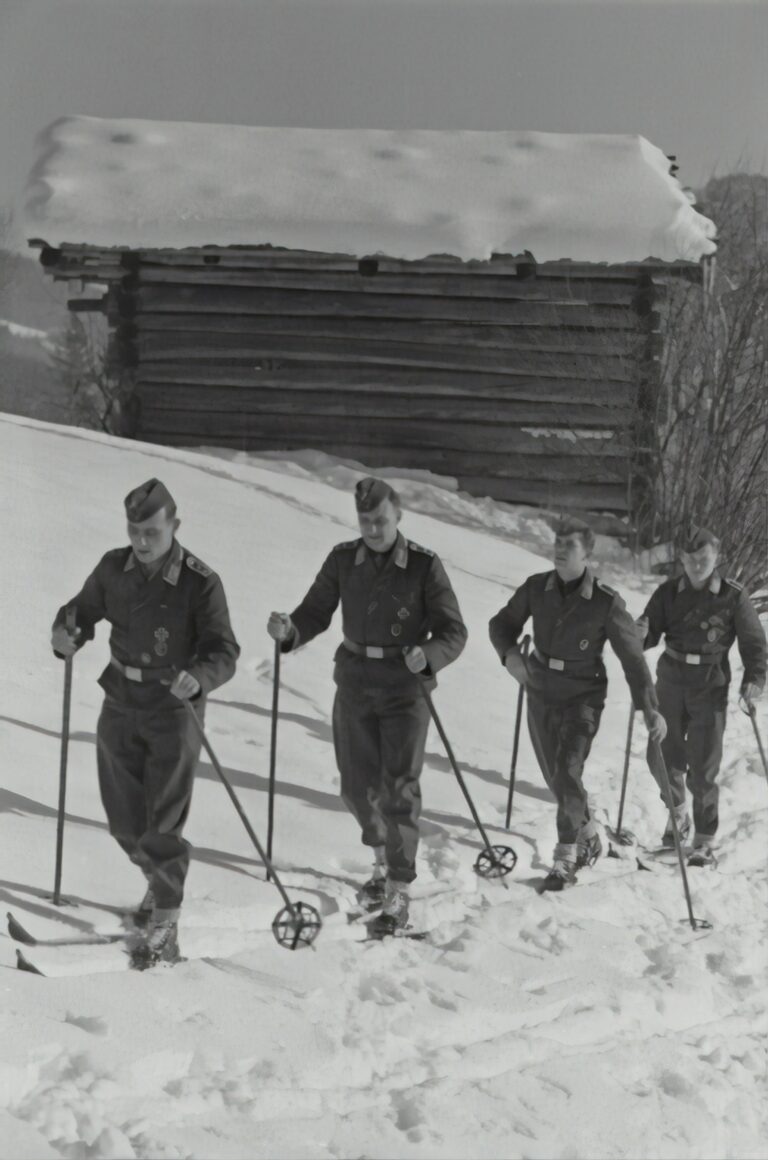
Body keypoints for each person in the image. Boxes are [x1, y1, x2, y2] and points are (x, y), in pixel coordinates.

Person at [50, 479, 240, 965]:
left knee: (163, 821)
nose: (142, 540)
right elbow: (81, 611)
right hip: (120, 698)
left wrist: (198, 678)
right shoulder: (114, 567)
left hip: (174, 707)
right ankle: (158, 879)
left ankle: (166, 922)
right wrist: (65, 631)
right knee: (124, 822)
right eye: (135, 530)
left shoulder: (201, 581)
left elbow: (223, 650)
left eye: (152, 531)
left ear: (174, 526)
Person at [267, 477, 467, 934]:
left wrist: (429, 654)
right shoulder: (344, 559)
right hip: (355, 682)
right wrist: (290, 629)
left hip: (404, 689)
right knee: (356, 787)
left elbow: (453, 631)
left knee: (399, 789)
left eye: (380, 520)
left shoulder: (423, 566)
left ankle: (399, 887)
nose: (373, 529)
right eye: (365, 521)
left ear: (398, 518)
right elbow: (315, 611)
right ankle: (380, 862)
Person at [489, 517, 666, 890]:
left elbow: (632, 657)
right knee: (557, 776)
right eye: (557, 541)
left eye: (569, 544)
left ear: (587, 553)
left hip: (582, 696)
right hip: (540, 688)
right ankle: (588, 833)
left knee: (568, 769)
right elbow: (501, 624)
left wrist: (649, 707)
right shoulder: (536, 587)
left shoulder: (605, 601)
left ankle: (566, 855)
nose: (560, 549)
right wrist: (510, 656)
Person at [638, 527, 766, 866]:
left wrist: (754, 679)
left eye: (704, 559)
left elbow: (754, 643)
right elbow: (648, 630)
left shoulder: (732, 596)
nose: (697, 565)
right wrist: (637, 634)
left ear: (717, 559)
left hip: (710, 684)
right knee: (661, 756)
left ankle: (704, 840)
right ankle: (677, 814)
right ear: (681, 558)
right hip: (670, 680)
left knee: (703, 766)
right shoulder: (667, 593)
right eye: (691, 559)